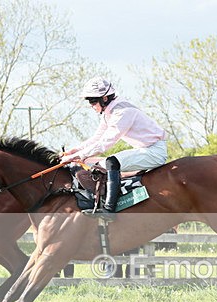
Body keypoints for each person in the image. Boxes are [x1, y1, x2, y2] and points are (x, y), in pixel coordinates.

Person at [60, 77, 167, 218]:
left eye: (92, 101)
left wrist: (76, 156)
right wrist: (75, 151)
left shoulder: (122, 112)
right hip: (143, 150)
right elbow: (97, 137)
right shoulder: (109, 112)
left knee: (112, 162)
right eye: (89, 101)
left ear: (104, 98)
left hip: (154, 152)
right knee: (95, 165)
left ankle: (109, 209)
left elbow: (106, 142)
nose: (91, 105)